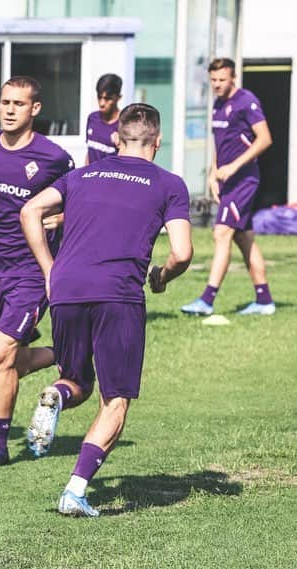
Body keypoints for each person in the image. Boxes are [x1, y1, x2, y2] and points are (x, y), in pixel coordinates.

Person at [20, 103, 193, 516]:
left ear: (117, 139)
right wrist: (163, 276)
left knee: (75, 380)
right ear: (158, 140)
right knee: (115, 399)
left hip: (66, 288)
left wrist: (49, 269)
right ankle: (75, 490)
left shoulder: (80, 176)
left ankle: (55, 395)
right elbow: (183, 252)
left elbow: (29, 210)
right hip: (118, 293)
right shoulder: (169, 183)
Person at [0, 77, 73, 467]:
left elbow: (84, 201)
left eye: (17, 104)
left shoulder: (54, 157)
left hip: (33, 270)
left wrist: (63, 216)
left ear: (34, 109)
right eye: (4, 102)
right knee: (7, 359)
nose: (8, 110)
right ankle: (69, 354)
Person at [181, 57, 275, 316]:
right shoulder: (217, 105)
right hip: (226, 180)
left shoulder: (246, 101)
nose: (217, 84)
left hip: (244, 180)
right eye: (213, 80)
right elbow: (219, 144)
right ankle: (264, 300)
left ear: (233, 78)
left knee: (221, 233)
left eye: (222, 80)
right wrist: (213, 173)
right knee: (244, 238)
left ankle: (207, 300)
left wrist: (233, 167)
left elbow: (265, 138)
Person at [85, 74, 122, 165]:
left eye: (107, 99)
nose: (102, 103)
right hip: (91, 177)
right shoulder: (92, 118)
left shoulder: (124, 124)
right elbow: (89, 153)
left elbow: (127, 161)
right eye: (99, 97)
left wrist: (120, 144)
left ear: (118, 98)